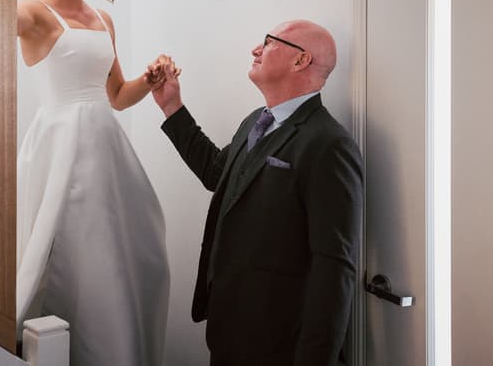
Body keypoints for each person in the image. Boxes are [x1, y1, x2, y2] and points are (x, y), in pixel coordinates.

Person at [0, 0, 171, 366]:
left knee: (127, 251)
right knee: (58, 249)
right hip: (58, 144)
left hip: (106, 146)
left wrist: (154, 77)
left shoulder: (104, 19)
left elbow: (119, 96)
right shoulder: (34, 15)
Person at [151, 20, 364, 366]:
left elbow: (335, 270)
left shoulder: (329, 144)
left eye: (269, 42)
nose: (256, 50)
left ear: (300, 61)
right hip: (230, 330)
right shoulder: (256, 121)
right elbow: (217, 174)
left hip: (281, 343)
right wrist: (171, 106)